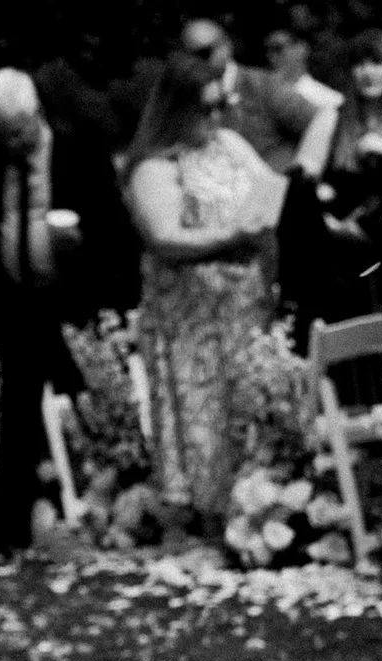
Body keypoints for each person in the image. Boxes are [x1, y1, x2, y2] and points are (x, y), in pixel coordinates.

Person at [0, 67, 137, 552]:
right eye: (2, 136)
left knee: (91, 411)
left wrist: (80, 246)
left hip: (75, 299)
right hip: (19, 302)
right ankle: (10, 528)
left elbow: (118, 233)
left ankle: (109, 514)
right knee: (17, 415)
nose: (13, 144)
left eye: (19, 132)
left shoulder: (78, 151)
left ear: (36, 115)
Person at [123, 51, 281, 526]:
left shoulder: (229, 144)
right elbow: (165, 237)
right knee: (203, 410)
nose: (215, 118)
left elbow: (270, 187)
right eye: (204, 109)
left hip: (242, 304)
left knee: (249, 404)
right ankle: (209, 509)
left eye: (221, 106)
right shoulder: (155, 167)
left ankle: (259, 505)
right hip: (190, 315)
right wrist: (233, 237)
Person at [313, 30, 382, 324]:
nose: (367, 72)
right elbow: (304, 186)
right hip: (344, 257)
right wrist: (333, 225)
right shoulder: (332, 119)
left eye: (377, 62)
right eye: (359, 64)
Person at [180, 18, 339, 178]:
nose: (196, 61)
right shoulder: (186, 98)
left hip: (279, 188)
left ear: (226, 45)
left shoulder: (262, 84)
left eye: (203, 53)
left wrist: (305, 169)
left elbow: (322, 119)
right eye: (189, 56)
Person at [265, 25, 346, 114]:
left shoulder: (331, 99)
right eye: (267, 51)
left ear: (301, 48)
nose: (271, 56)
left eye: (277, 48)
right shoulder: (265, 98)